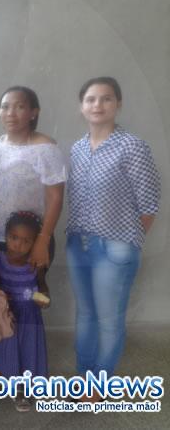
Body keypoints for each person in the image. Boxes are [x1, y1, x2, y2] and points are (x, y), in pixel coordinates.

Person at [66, 77, 160, 401]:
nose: (98, 105)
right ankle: (84, 377)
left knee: (108, 320)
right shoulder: (77, 148)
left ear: (118, 104)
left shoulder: (131, 146)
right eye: (91, 99)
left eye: (106, 99)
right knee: (85, 315)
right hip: (78, 244)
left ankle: (100, 384)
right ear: (82, 106)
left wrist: (126, 241)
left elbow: (149, 203)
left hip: (115, 249)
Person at [0, 86, 66, 271]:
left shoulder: (46, 148)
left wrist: (42, 241)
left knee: (28, 298)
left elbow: (55, 198)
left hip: (29, 240)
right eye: (5, 107)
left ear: (33, 113)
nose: (10, 113)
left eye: (19, 107)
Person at [0, 211, 50, 412]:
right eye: (14, 238)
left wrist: (43, 300)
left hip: (28, 317)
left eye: (26, 241)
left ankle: (22, 391)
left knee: (25, 352)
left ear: (34, 243)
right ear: (5, 236)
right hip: (5, 316)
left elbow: (43, 291)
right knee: (1, 352)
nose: (18, 245)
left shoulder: (35, 266)